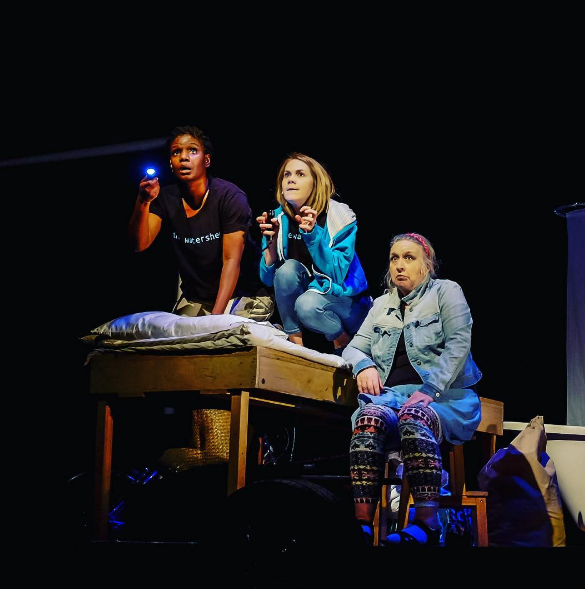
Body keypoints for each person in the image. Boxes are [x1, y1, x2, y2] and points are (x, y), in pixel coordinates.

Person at [343, 232, 482, 545]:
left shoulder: (446, 291)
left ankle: (427, 524)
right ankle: (362, 527)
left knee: (414, 416)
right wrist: (363, 365)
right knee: (368, 418)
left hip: (445, 397)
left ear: (426, 264)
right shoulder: (381, 305)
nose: (399, 265)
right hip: (393, 398)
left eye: (409, 257)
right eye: (394, 258)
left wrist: (430, 390)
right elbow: (353, 348)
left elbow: (459, 342)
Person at [128, 125, 273, 320]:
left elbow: (231, 261)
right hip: (198, 298)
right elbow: (139, 244)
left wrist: (214, 319)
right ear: (170, 163)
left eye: (192, 150)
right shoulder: (165, 198)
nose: (184, 157)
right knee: (174, 334)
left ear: (207, 160)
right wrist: (143, 201)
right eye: (176, 152)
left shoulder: (229, 197)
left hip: (243, 294)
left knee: (222, 334)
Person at [256, 152, 372, 354]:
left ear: (316, 183)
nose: (291, 179)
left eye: (300, 174)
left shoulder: (340, 217)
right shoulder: (278, 218)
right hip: (307, 304)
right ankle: (295, 344)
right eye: (287, 175)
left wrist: (312, 235)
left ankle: (341, 339)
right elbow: (268, 279)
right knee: (286, 270)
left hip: (347, 302)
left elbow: (336, 274)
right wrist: (271, 244)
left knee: (306, 304)